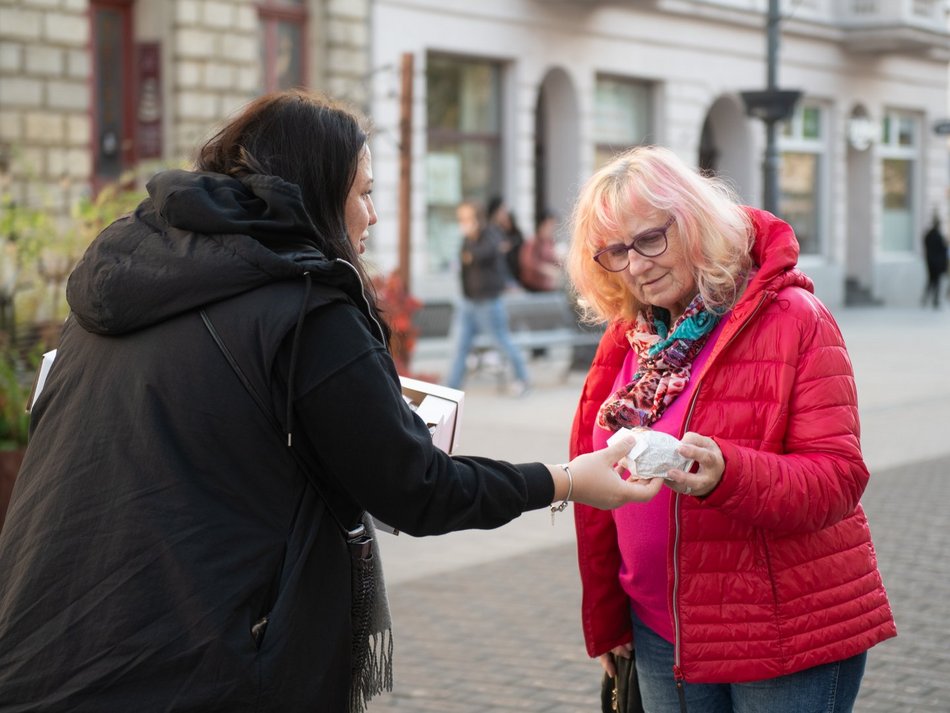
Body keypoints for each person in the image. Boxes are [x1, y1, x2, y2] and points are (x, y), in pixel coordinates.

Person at [0, 91, 664, 713]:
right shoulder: (307, 307)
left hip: (45, 639)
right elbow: (418, 488)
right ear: (318, 194)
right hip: (197, 664)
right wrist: (569, 479)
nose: (372, 215)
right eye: (365, 194)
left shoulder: (118, 292)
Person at [565, 145, 896, 712]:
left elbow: (839, 479)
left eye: (650, 239)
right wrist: (606, 616)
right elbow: (597, 493)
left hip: (782, 638)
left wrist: (729, 474)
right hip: (659, 634)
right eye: (616, 252)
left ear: (694, 222)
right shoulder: (630, 338)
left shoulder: (791, 317)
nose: (637, 265)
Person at [445, 200, 532, 396]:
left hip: (488, 302)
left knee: (502, 342)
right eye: (461, 219)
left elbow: (486, 254)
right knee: (459, 347)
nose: (464, 223)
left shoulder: (490, 234)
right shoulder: (467, 239)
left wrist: (470, 254)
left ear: (477, 218)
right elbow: (464, 260)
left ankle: (522, 379)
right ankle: (450, 390)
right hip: (468, 301)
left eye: (467, 218)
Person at [518, 208, 562, 293]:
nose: (552, 228)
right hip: (534, 289)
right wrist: (545, 269)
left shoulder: (550, 242)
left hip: (549, 287)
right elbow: (528, 263)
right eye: (550, 224)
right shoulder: (533, 242)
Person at [487, 195, 525, 287]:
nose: (505, 213)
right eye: (503, 210)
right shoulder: (489, 231)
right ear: (496, 211)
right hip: (497, 280)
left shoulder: (500, 230)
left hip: (506, 277)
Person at [921, 212, 948, 309]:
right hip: (936, 263)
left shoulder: (929, 235)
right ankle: (933, 300)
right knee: (935, 281)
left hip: (930, 261)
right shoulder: (937, 236)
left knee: (931, 281)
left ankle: (926, 299)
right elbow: (943, 249)